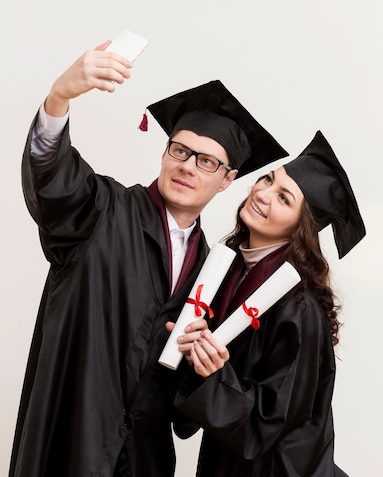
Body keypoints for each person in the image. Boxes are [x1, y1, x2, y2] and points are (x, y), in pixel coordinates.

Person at [10, 40, 288, 477]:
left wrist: (205, 368)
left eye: (206, 161)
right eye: (179, 150)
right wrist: (58, 98)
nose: (188, 166)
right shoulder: (102, 211)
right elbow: (53, 177)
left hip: (144, 460)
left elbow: (181, 417)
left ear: (228, 180)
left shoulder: (211, 275)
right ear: (164, 152)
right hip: (71, 444)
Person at [169, 130, 365, 476]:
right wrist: (187, 352)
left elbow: (272, 421)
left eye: (284, 198)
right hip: (227, 460)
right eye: (267, 179)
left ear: (299, 227)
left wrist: (214, 373)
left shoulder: (299, 307)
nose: (262, 193)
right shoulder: (226, 270)